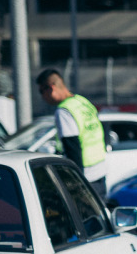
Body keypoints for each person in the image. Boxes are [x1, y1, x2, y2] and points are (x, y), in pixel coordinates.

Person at [36, 68, 107, 197]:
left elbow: (72, 148)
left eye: (41, 91)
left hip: (85, 176)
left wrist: (75, 182)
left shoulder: (63, 111)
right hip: (100, 171)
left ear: (51, 88)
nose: (42, 97)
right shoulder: (82, 102)